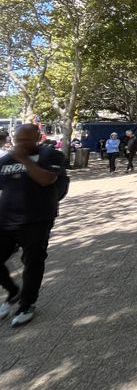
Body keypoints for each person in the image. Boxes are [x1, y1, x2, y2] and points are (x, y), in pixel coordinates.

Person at [0, 124, 66, 327]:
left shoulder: (50, 155)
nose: (21, 144)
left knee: (33, 263)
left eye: (26, 140)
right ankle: (13, 291)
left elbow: (46, 179)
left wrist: (24, 159)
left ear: (37, 137)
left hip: (37, 219)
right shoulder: (6, 160)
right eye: (18, 140)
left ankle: (27, 304)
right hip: (6, 220)